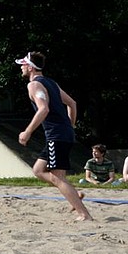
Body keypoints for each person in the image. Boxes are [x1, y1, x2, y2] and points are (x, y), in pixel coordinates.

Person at [16, 51, 93, 221]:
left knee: (58, 177)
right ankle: (74, 194)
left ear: (30, 67)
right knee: (38, 170)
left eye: (23, 64)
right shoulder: (51, 83)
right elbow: (72, 103)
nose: (21, 67)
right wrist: (71, 125)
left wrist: (27, 131)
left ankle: (84, 214)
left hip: (56, 135)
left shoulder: (34, 85)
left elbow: (44, 109)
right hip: (62, 133)